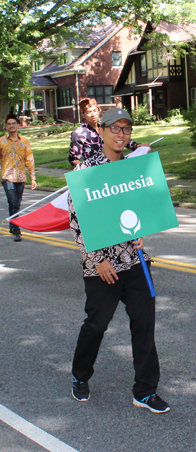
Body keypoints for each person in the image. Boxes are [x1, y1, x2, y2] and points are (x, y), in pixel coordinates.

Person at [68, 108, 169, 414]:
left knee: (144, 325)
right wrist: (98, 260)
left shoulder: (133, 169)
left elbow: (142, 209)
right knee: (97, 325)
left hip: (135, 261)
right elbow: (78, 221)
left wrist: (142, 232)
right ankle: (79, 375)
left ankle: (145, 391)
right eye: (115, 129)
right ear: (101, 131)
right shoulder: (86, 170)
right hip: (102, 267)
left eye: (126, 129)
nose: (121, 135)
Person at [0, 114, 36, 242]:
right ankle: (16, 230)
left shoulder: (24, 141)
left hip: (20, 177)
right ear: (5, 126)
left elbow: (29, 159)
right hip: (7, 177)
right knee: (13, 202)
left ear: (18, 125)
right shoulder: (0, 141)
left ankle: (11, 223)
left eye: (14, 123)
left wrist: (33, 176)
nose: (11, 126)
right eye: (9, 124)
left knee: (16, 204)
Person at [69, 98, 148, 167]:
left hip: (116, 166)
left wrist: (137, 146)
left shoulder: (107, 127)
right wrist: (85, 170)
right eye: (88, 112)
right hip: (95, 171)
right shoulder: (79, 133)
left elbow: (122, 139)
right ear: (83, 114)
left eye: (94, 110)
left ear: (99, 110)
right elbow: (74, 159)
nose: (93, 114)